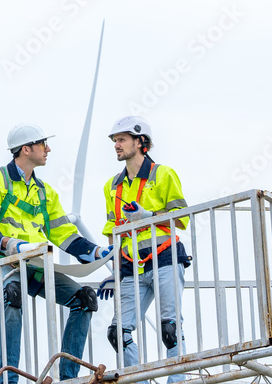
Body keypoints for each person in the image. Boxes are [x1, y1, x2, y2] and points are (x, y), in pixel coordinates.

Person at [0, 123, 110, 383]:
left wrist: (96, 251)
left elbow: (64, 235)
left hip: (35, 264)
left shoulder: (45, 192)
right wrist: (15, 246)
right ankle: (8, 379)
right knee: (12, 293)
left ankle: (68, 377)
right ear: (26, 149)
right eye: (43, 144)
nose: (48, 149)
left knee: (85, 298)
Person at [97, 116, 190, 383]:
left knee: (170, 329)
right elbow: (112, 232)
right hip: (129, 267)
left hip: (165, 259)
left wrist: (147, 215)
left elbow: (182, 217)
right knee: (117, 331)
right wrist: (115, 272)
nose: (117, 145)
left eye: (122, 139)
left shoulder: (163, 174)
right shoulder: (111, 186)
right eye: (115, 140)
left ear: (140, 142)